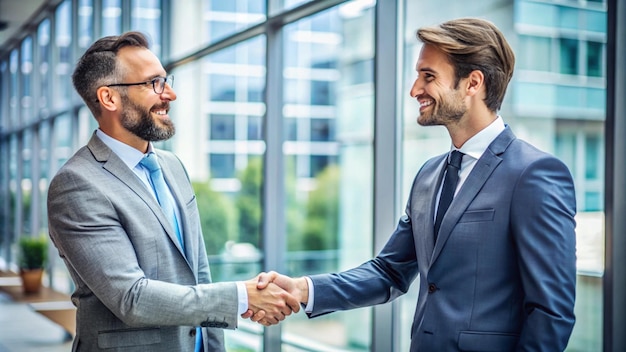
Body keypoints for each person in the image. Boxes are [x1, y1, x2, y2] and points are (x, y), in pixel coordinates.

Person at [256, 17, 577, 351]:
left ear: (473, 83)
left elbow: (551, 312)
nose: (414, 90)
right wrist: (301, 289)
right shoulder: (429, 175)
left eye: (428, 76)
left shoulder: (534, 174)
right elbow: (388, 272)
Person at [47, 31, 298, 352]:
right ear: (109, 97)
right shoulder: (76, 184)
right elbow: (131, 297)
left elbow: (199, 272)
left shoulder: (172, 167)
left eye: (166, 80)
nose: (170, 94)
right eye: (153, 83)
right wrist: (242, 296)